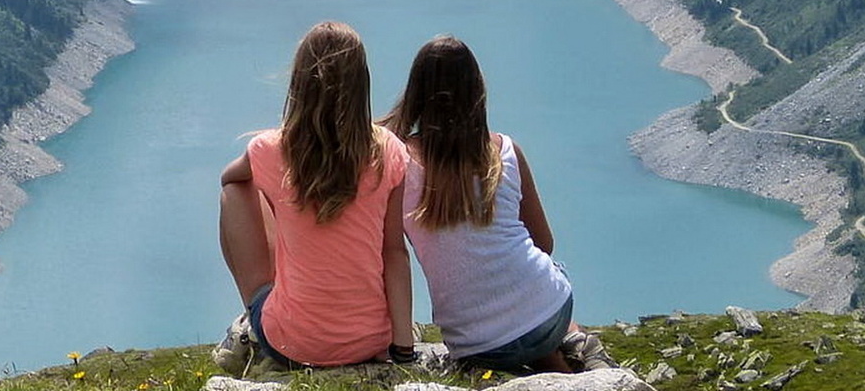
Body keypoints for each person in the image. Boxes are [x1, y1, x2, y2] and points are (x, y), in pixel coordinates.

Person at [382, 35, 611, 374]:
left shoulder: (396, 161)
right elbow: (544, 244)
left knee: (514, 334)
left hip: (474, 343)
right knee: (533, 311)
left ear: (415, 92)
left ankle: (559, 356)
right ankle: (576, 345)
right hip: (550, 313)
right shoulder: (505, 151)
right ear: (476, 90)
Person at [214, 21, 416, 371]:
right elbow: (394, 252)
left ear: (299, 83)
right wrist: (402, 349)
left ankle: (256, 314)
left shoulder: (270, 148)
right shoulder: (390, 152)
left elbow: (229, 177)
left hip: (292, 342)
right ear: (361, 83)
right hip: (371, 339)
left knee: (237, 192)